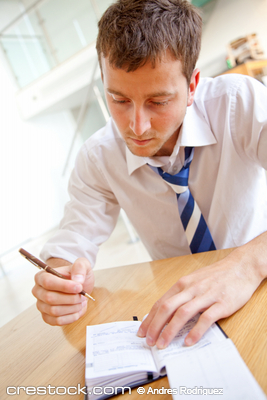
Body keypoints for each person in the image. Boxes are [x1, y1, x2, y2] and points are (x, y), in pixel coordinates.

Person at [32, 0, 267, 350]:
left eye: (158, 102)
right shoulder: (98, 157)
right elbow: (73, 239)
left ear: (192, 86)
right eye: (119, 100)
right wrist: (61, 277)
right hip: (180, 314)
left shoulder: (239, 102)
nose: (136, 127)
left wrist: (247, 264)